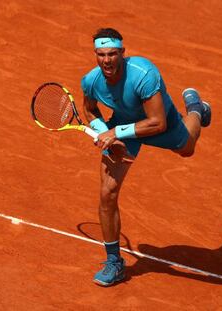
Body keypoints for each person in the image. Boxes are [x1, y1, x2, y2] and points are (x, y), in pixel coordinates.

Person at [81, 28, 211, 286]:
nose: (106, 60)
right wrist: (104, 134)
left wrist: (115, 131)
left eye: (112, 54)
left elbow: (157, 123)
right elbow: (89, 110)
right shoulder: (91, 80)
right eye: (101, 54)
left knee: (187, 148)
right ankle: (114, 262)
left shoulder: (144, 74)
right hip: (124, 128)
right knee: (108, 192)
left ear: (122, 53)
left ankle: (196, 110)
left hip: (157, 121)